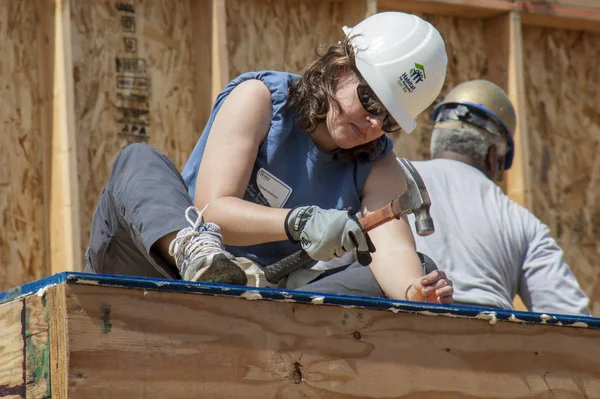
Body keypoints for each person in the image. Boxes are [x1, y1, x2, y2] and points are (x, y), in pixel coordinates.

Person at [84, 12, 454, 304]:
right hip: (163, 269)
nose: (374, 122)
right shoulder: (261, 99)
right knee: (137, 160)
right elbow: (212, 209)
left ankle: (268, 316)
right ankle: (195, 255)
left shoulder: (377, 164)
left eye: (388, 118)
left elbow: (393, 251)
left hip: (261, 294)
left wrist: (413, 291)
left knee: (421, 269)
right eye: (371, 100)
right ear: (341, 70)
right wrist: (298, 222)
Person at [406, 79, 590, 315]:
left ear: (435, 142)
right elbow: (572, 319)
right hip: (490, 343)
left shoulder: (393, 178)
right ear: (493, 157)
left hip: (404, 332)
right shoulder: (523, 223)